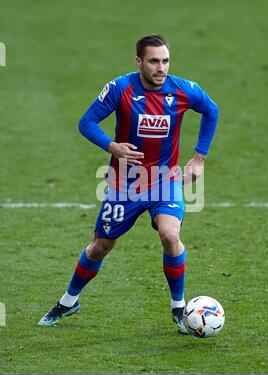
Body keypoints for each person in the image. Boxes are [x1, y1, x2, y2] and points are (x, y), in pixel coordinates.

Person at [38, 34, 219, 334]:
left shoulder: (184, 90)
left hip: (164, 180)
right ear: (139, 62)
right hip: (125, 184)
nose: (161, 68)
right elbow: (86, 122)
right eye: (153, 61)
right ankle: (69, 301)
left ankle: (179, 308)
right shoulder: (120, 89)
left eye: (165, 61)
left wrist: (199, 157)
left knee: (170, 235)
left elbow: (212, 110)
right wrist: (112, 146)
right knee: (101, 246)